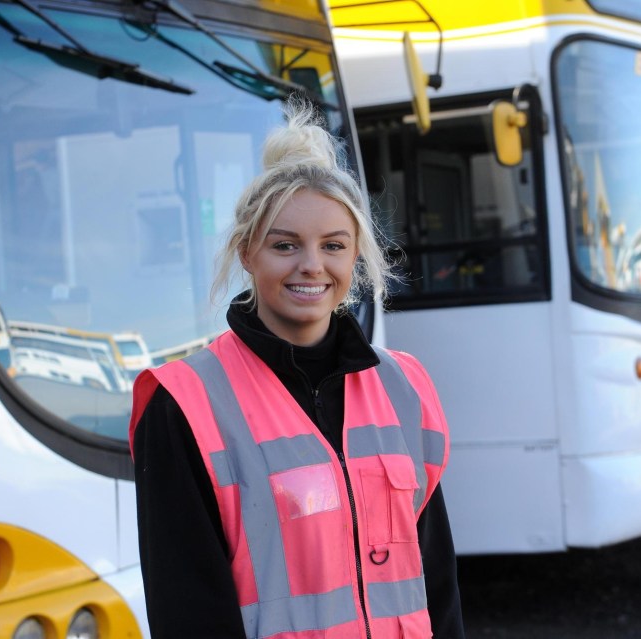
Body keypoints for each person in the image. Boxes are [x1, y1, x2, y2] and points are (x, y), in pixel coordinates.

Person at [129, 100, 465, 639]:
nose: (312, 265)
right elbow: (186, 606)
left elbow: (437, 581)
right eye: (285, 245)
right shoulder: (185, 403)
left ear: (355, 255)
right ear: (246, 252)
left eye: (333, 245)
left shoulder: (404, 387)